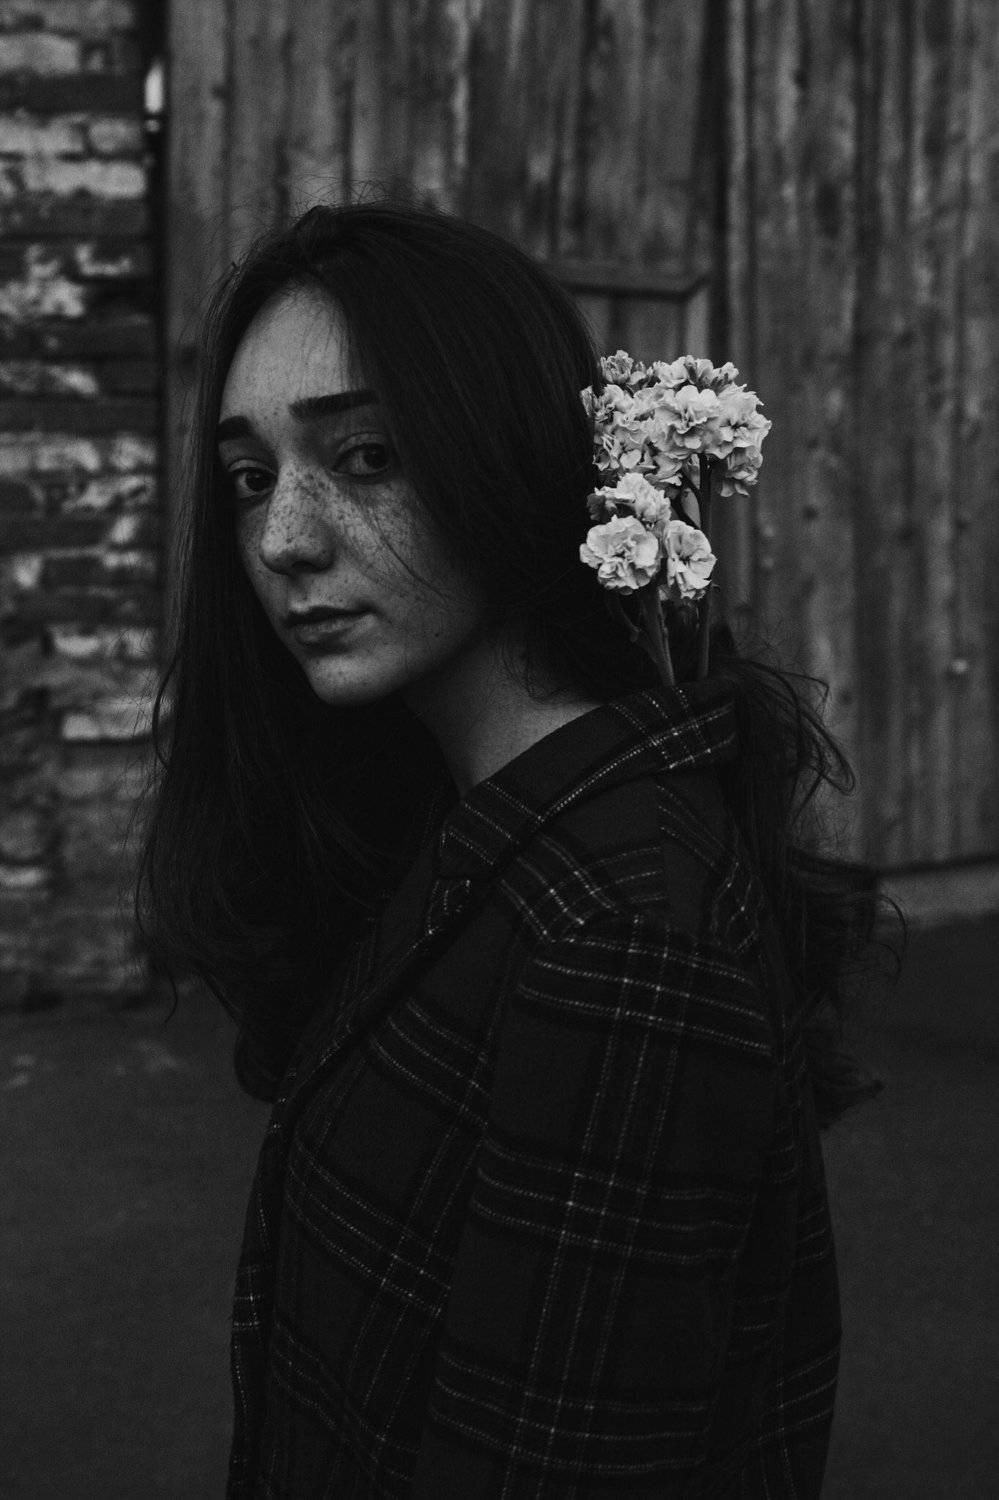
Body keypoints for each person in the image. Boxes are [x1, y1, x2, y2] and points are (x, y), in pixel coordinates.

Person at [136, 201, 896, 1497]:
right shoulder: (467, 818)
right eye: (252, 475)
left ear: (514, 456)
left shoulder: (612, 932)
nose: (282, 539)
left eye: (366, 456)